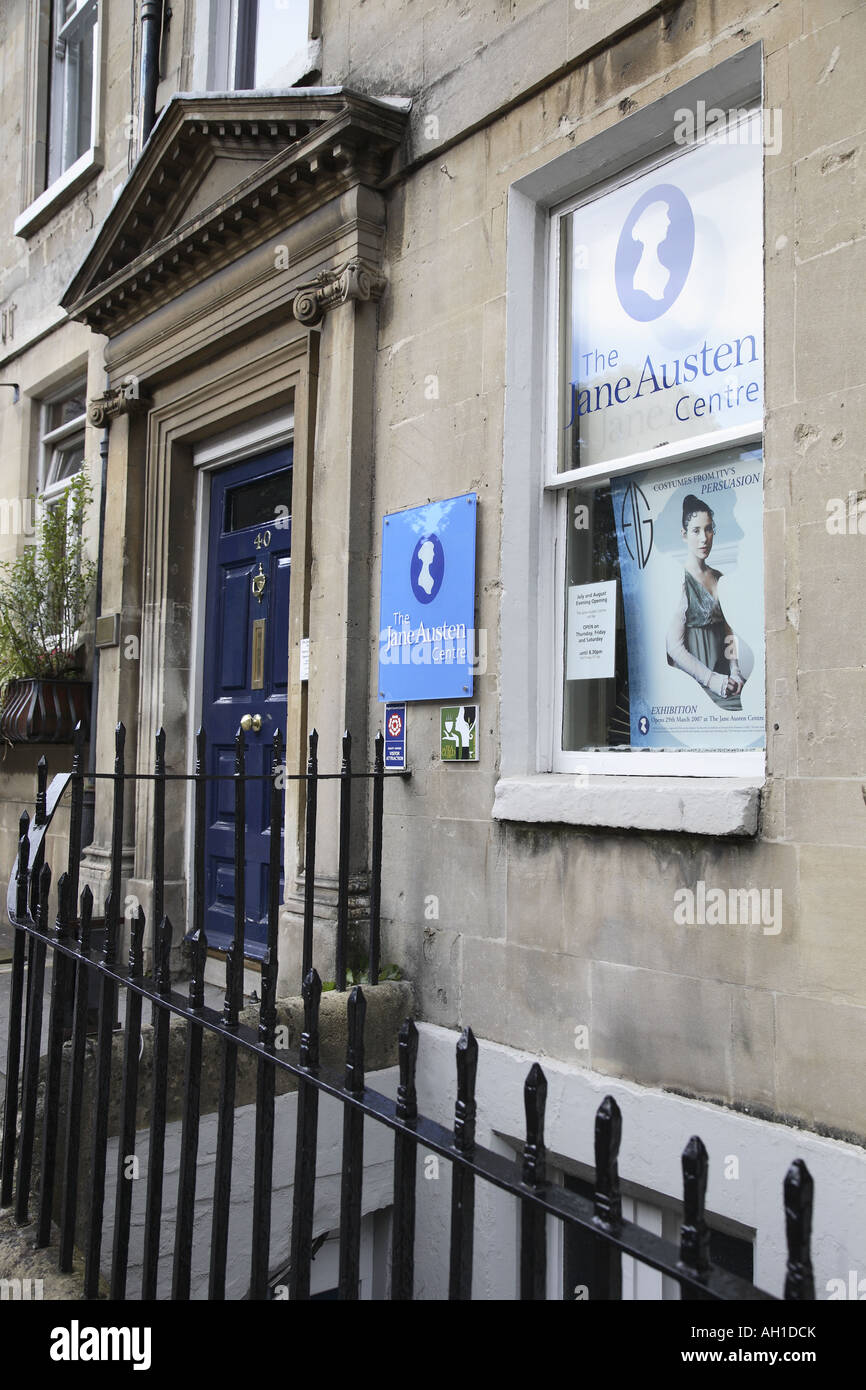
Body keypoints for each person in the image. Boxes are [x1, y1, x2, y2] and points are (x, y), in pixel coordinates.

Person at [666, 494, 744, 709]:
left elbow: (729, 631)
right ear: (684, 535)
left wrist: (735, 671)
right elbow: (674, 647)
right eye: (696, 530)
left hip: (725, 678)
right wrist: (712, 680)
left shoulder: (719, 577)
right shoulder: (679, 581)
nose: (704, 538)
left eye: (708, 529)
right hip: (697, 682)